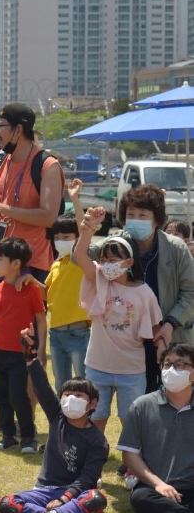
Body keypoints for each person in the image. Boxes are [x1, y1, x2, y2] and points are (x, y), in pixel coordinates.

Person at [0, 329, 108, 513]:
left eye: (78, 396)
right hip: (44, 491)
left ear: (92, 403)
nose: (71, 400)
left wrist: (64, 499)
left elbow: (87, 479)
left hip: (73, 495)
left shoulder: (98, 441)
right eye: (67, 395)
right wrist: (30, 357)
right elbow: (41, 386)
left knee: (96, 499)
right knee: (8, 503)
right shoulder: (57, 417)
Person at [95, 186, 194, 395]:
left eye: (143, 215)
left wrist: (170, 324)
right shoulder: (117, 242)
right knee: (143, 397)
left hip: (171, 333)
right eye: (130, 214)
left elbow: (190, 292)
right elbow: (81, 256)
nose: (135, 219)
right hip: (133, 339)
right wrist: (87, 229)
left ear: (157, 219)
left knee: (178, 392)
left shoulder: (176, 248)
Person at [74, 209, 161, 439]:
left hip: (131, 370)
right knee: (95, 417)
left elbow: (154, 330)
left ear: (129, 262)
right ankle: (93, 465)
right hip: (97, 366)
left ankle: (132, 466)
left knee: (130, 419)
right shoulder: (100, 279)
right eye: (103, 260)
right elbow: (81, 256)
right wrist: (87, 230)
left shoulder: (144, 293)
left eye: (113, 260)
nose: (106, 265)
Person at [0, 104, 64, 323]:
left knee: (24, 344)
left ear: (19, 130)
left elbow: (48, 217)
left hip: (29, 267)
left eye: (1, 126)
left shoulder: (47, 165)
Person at [120, 343, 194, 513]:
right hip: (155, 489)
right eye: (167, 364)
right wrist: (159, 484)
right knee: (140, 498)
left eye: (180, 365)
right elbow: (129, 454)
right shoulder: (142, 405)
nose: (171, 370)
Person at [0, 237, 47, 452]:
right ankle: (8, 435)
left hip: (20, 352)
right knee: (1, 396)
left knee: (19, 395)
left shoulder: (31, 290)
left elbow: (41, 320)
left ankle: (28, 437)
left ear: (16, 263)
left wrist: (42, 350)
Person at [45, 210, 91, 393]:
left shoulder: (79, 261)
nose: (61, 241)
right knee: (60, 385)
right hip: (55, 333)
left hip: (78, 332)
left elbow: (85, 231)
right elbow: (47, 292)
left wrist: (75, 199)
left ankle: (87, 419)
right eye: (57, 237)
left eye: (66, 236)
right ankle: (63, 421)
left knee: (84, 384)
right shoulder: (56, 264)